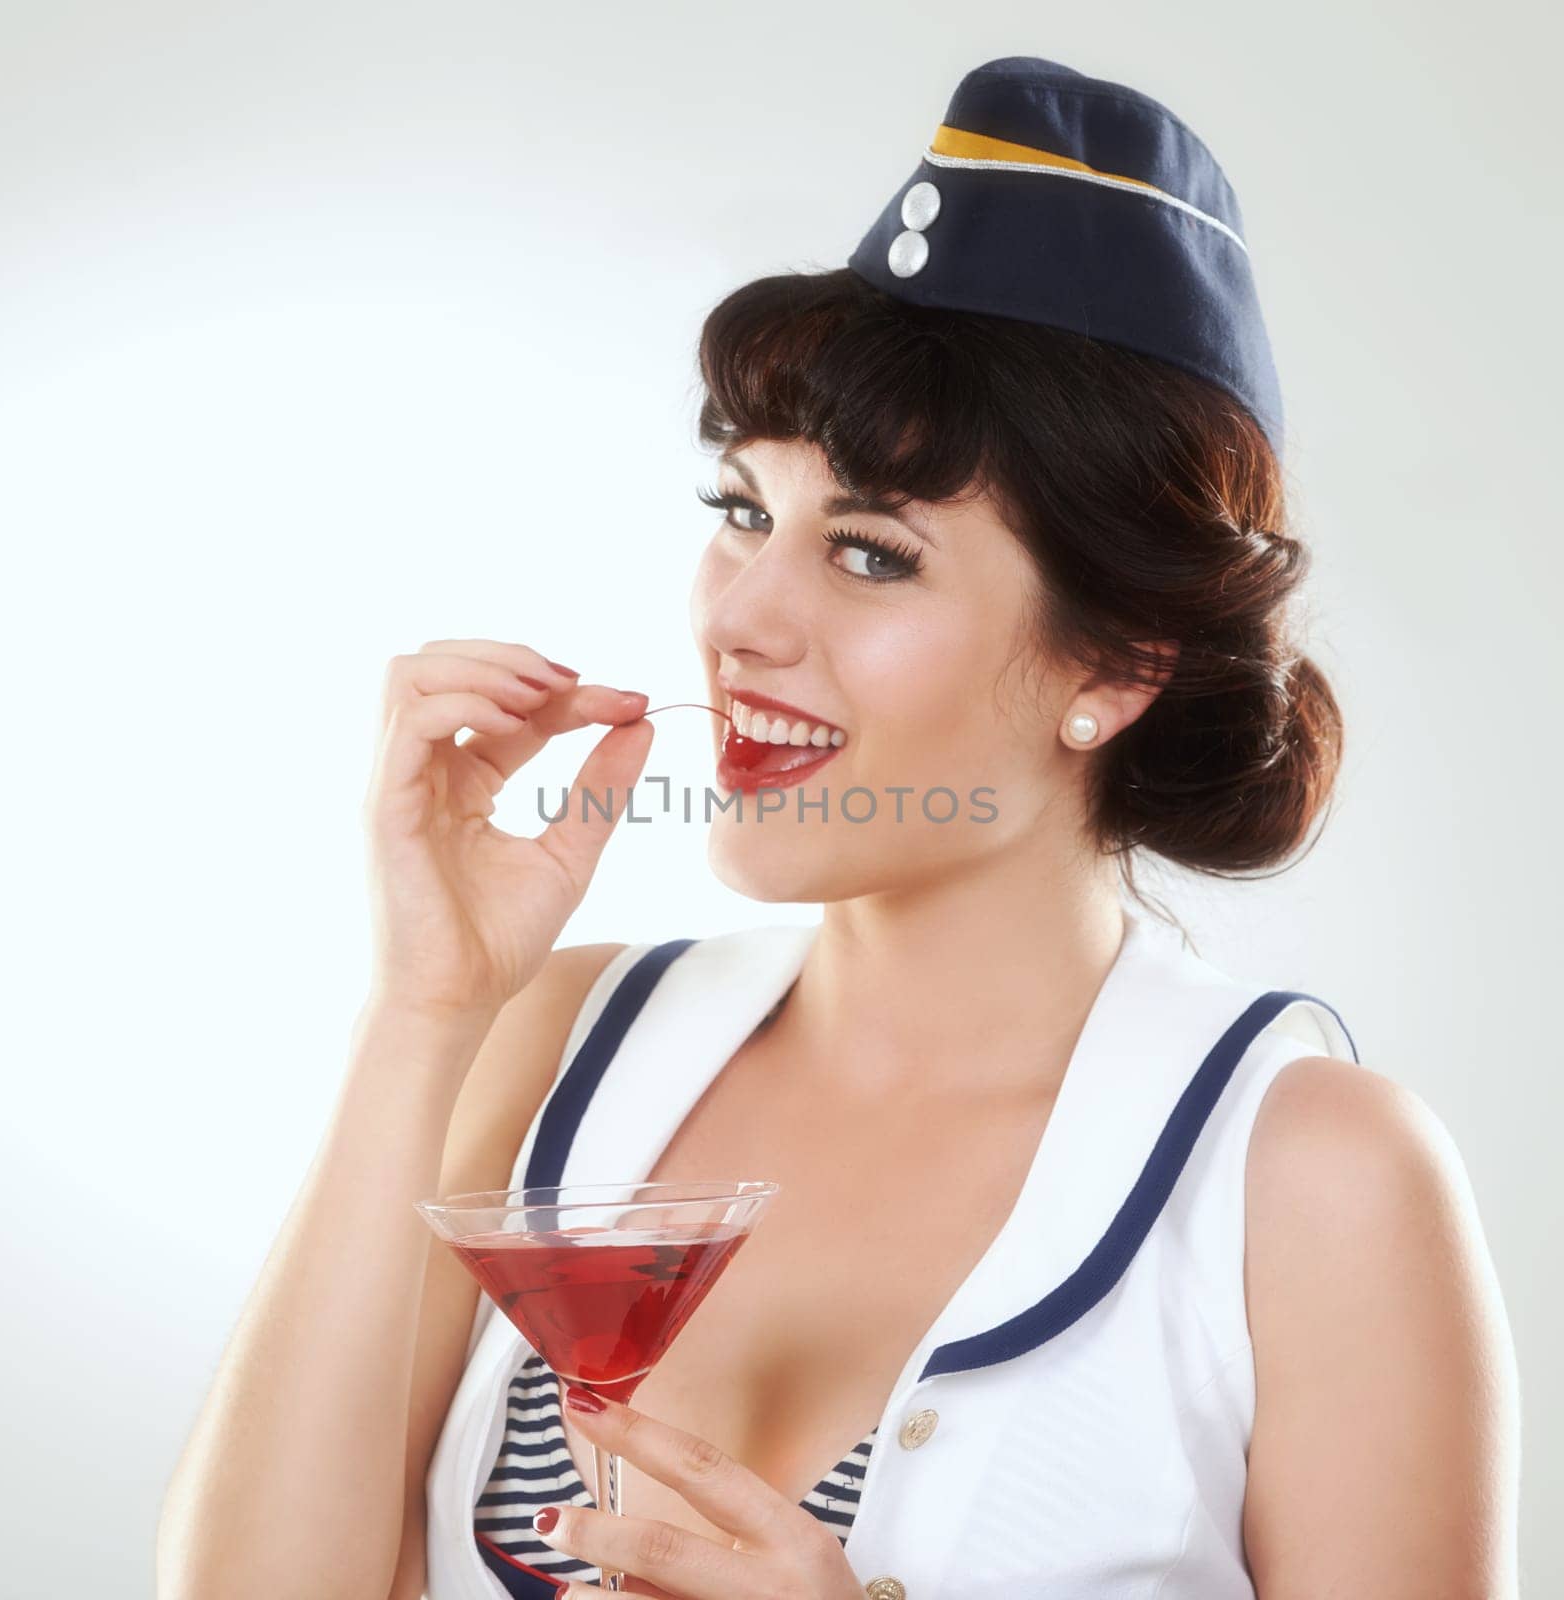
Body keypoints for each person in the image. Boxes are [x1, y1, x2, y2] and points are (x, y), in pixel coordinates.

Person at [156, 55, 1521, 1600]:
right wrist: (423, 1010)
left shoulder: (1315, 1176)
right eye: (742, 511)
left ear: (1117, 665)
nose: (742, 617)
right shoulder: (544, 1041)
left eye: (870, 555)